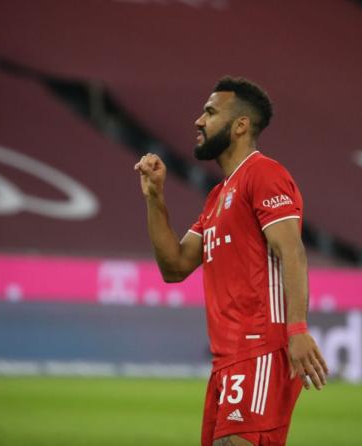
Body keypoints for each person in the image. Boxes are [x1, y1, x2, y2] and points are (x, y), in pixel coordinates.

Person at [134, 76, 328, 446]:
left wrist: (297, 329)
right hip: (227, 358)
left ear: (240, 125)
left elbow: (292, 251)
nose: (198, 121)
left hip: (260, 348)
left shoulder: (265, 174)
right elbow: (174, 267)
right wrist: (155, 198)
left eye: (209, 112)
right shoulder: (218, 197)